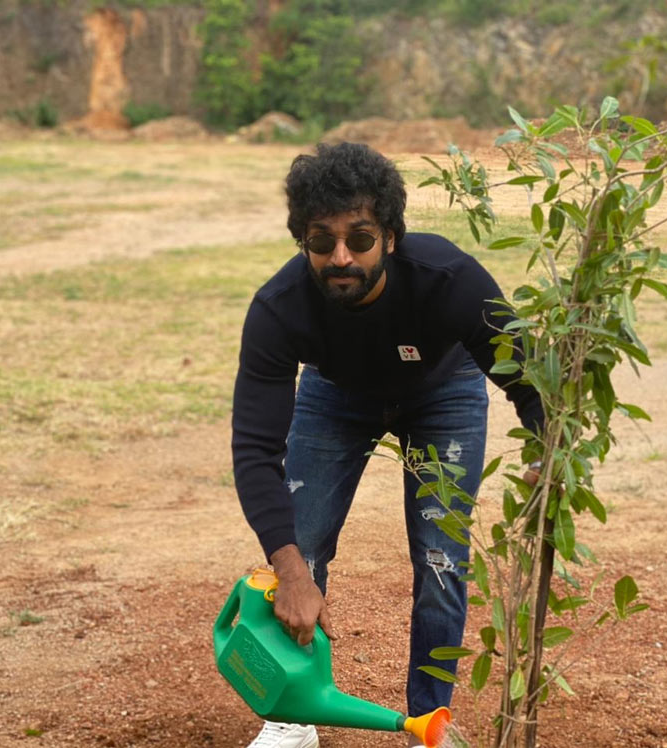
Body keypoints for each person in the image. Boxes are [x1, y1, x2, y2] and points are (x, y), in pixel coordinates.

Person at [232, 142, 543, 748]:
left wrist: (543, 450)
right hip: (336, 395)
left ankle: (430, 722)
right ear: (303, 242)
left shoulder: (448, 280)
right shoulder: (279, 308)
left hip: (442, 392)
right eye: (321, 241)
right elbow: (253, 450)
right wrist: (288, 568)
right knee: (303, 545)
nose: (340, 256)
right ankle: (292, 715)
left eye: (361, 237)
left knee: (440, 561)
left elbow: (529, 378)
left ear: (392, 238)